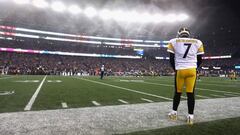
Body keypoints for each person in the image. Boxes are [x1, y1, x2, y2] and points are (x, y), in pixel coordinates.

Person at [167, 27, 204, 125]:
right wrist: (195, 68)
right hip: (192, 70)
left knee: (178, 92)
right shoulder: (198, 42)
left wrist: (176, 69)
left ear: (179, 33)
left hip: (180, 70)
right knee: (190, 94)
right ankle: (190, 117)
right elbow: (200, 59)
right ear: (188, 33)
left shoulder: (173, 41)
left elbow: (171, 59)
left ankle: (174, 113)